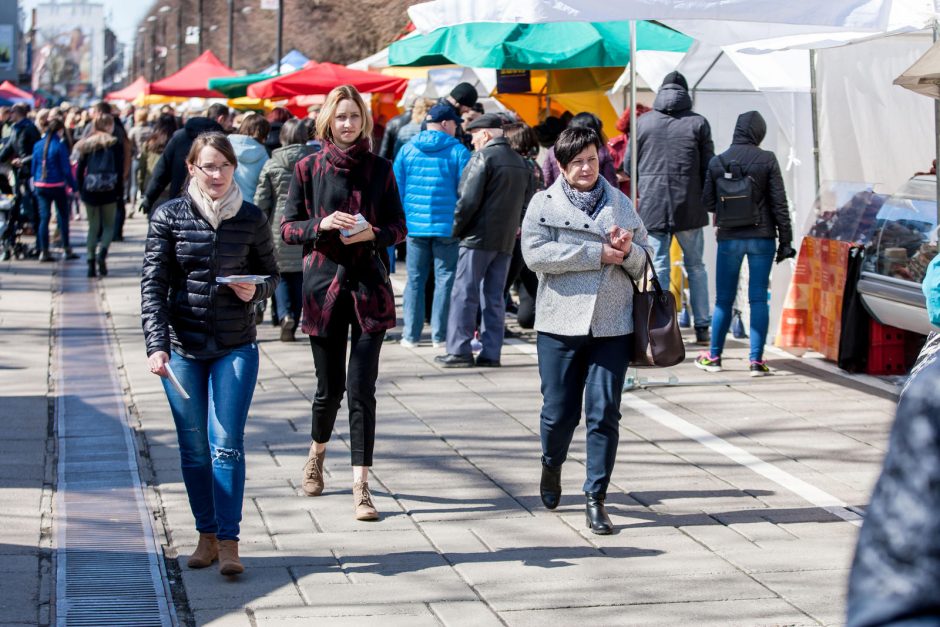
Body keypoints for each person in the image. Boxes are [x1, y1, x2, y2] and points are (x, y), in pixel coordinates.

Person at [141, 132, 278, 577]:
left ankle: (230, 540)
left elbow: (272, 275)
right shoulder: (170, 216)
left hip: (236, 345)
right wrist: (156, 344)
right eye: (207, 166)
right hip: (183, 347)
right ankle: (206, 535)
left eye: (223, 165)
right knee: (194, 448)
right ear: (192, 169)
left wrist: (256, 290)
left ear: (234, 167)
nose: (216, 174)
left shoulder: (252, 218)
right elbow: (153, 286)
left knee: (226, 446)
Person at [281, 85, 406, 520]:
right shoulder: (307, 167)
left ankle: (361, 484)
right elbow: (287, 228)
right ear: (327, 121)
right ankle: (316, 454)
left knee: (361, 391)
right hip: (322, 288)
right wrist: (321, 224)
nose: (348, 124)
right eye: (340, 117)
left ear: (364, 121)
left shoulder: (381, 168)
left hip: (369, 289)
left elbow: (398, 226)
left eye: (354, 116)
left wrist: (375, 233)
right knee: (328, 389)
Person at [521, 126, 652, 535]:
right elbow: (534, 255)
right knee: (559, 413)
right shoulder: (543, 203)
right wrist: (596, 253)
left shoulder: (620, 203)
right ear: (561, 165)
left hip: (612, 324)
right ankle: (551, 463)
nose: (585, 168)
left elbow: (647, 260)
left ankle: (596, 497)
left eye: (592, 160)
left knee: (604, 413)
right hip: (560, 322)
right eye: (577, 161)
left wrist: (629, 251)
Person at [696, 111, 795, 376]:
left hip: (730, 237)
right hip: (762, 237)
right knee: (758, 297)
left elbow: (706, 202)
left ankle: (714, 357)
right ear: (759, 133)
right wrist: (786, 240)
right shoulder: (768, 159)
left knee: (723, 300)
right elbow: (779, 203)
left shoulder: (719, 162)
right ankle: (756, 361)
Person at [435, 113, 534, 368]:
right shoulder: (522, 163)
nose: (472, 141)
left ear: (487, 134)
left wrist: (457, 229)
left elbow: (467, 201)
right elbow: (527, 204)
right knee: (494, 297)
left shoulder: (482, 158)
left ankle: (459, 349)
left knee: (464, 294)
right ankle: (491, 352)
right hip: (505, 240)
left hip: (477, 238)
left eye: (475, 135)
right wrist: (515, 227)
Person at [629, 71, 715, 344]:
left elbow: (627, 164)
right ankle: (702, 326)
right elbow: (708, 166)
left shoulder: (643, 123)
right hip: (689, 205)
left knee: (660, 267)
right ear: (685, 92)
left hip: (653, 205)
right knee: (696, 266)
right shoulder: (698, 123)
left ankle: (661, 326)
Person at [393, 103, 471, 348]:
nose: (457, 128)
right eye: (455, 124)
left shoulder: (407, 150)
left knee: (414, 280)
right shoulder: (458, 151)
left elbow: (397, 188)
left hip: (415, 227)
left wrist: (403, 219)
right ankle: (440, 335)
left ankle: (411, 335)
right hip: (447, 227)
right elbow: (467, 192)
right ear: (446, 124)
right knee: (445, 280)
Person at [254, 118, 319, 341]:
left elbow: (262, 200)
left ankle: (285, 315)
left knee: (280, 274)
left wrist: (257, 225)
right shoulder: (314, 160)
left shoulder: (272, 163)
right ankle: (296, 317)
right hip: (308, 223)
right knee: (301, 275)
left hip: (278, 225)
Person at [139, 103, 231, 215]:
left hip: (179, 202)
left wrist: (149, 197)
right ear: (220, 120)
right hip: (213, 205)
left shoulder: (179, 137)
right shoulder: (223, 141)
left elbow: (162, 170)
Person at [74, 113, 124, 278]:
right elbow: (119, 170)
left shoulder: (87, 144)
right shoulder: (115, 144)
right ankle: (102, 253)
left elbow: (80, 170)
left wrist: (81, 189)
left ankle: (90, 260)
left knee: (93, 227)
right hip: (110, 190)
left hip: (90, 190)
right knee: (109, 226)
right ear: (109, 126)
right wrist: (119, 192)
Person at [31, 117, 78, 262]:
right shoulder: (59, 146)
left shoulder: (38, 145)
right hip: (57, 185)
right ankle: (66, 248)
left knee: (44, 218)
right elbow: (66, 169)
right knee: (62, 217)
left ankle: (43, 250)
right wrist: (74, 186)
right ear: (60, 130)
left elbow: (34, 167)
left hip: (40, 185)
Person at [0, 103, 41, 261]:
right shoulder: (16, 129)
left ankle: (39, 243)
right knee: (14, 209)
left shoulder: (30, 128)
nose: (10, 116)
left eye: (12, 113)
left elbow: (37, 152)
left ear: (18, 113)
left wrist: (23, 161)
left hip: (29, 174)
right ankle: (9, 241)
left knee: (32, 210)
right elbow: (8, 148)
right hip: (19, 175)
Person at [541, 112, 617, 189]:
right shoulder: (602, 152)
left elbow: (546, 179)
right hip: (596, 199)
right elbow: (611, 184)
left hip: (558, 198)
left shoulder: (552, 151)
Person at [608, 103, 651, 197]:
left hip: (646, 199)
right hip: (621, 199)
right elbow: (604, 177)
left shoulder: (652, 145)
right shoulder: (614, 146)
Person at [137, 114, 178, 209]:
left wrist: (141, 186)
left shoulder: (149, 143)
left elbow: (142, 167)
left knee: (154, 220)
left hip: (152, 187)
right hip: (172, 189)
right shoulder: (177, 143)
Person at [229, 113, 271, 202]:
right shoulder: (264, 156)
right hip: (252, 207)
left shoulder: (226, 146)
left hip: (226, 205)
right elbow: (264, 188)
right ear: (264, 134)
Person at [378, 95, 415, 161]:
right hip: (414, 162)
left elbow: (385, 149)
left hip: (396, 162)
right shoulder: (422, 122)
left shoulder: (393, 121)